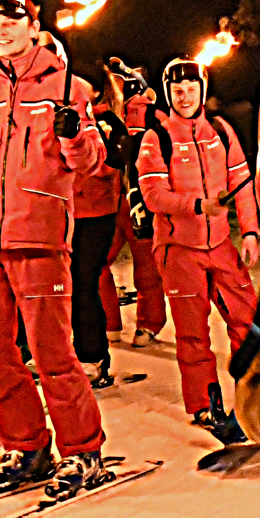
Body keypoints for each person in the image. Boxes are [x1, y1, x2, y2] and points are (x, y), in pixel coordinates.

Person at [0, 0, 108, 497]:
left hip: (37, 238)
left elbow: (90, 163)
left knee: (51, 353)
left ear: (34, 27)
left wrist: (74, 134)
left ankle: (83, 451)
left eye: (13, 20)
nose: (1, 29)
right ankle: (26, 445)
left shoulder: (68, 87)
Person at [136, 57, 258, 440]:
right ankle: (205, 405)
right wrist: (196, 206)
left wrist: (250, 231)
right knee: (193, 332)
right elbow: (154, 195)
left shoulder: (220, 131)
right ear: (168, 93)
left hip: (220, 243)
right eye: (177, 90)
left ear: (202, 90)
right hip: (178, 248)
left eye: (191, 89)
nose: (184, 96)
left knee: (248, 321)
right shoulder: (157, 137)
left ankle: (256, 396)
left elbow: (242, 181)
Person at [69, 71, 130, 387]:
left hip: (95, 213)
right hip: (63, 212)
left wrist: (84, 148)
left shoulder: (108, 121)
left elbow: (113, 164)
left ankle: (93, 355)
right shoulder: (67, 117)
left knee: (84, 283)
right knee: (58, 285)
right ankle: (62, 351)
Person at [105, 56, 169, 347]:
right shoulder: (103, 114)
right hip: (111, 200)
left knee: (145, 267)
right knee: (109, 264)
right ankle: (124, 325)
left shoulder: (146, 116)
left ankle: (141, 325)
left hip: (132, 199)